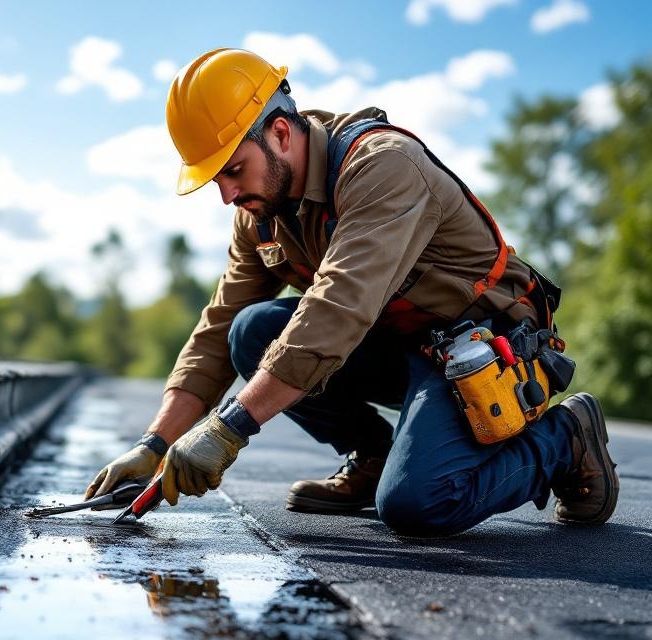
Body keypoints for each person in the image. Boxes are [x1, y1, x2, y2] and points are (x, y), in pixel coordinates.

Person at [84, 48, 618, 537]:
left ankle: (565, 440)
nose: (226, 194)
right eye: (214, 180)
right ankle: (374, 454)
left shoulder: (382, 166)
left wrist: (228, 428)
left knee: (420, 504)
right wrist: (154, 445)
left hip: (480, 349)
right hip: (394, 342)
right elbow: (220, 324)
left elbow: (338, 306)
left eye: (232, 171)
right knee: (250, 331)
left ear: (280, 134)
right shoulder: (261, 213)